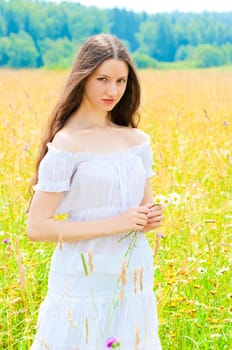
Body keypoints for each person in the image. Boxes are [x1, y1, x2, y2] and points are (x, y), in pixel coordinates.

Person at [27, 33, 163, 350]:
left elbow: (144, 208)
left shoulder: (137, 140)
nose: (112, 91)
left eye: (120, 80)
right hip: (82, 277)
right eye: (102, 79)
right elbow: (37, 227)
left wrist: (150, 218)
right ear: (83, 77)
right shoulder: (66, 144)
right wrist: (119, 222)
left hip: (133, 275)